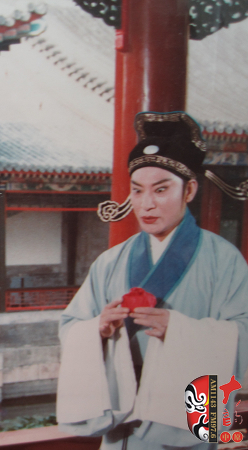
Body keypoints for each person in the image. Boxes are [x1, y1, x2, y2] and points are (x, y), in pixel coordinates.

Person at [57, 111, 248, 449]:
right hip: (121, 418)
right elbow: (71, 325)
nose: (146, 204)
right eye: (137, 191)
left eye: (161, 190)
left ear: (189, 190)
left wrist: (179, 330)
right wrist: (98, 329)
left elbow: (243, 332)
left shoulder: (224, 260)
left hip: (184, 419)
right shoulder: (110, 261)